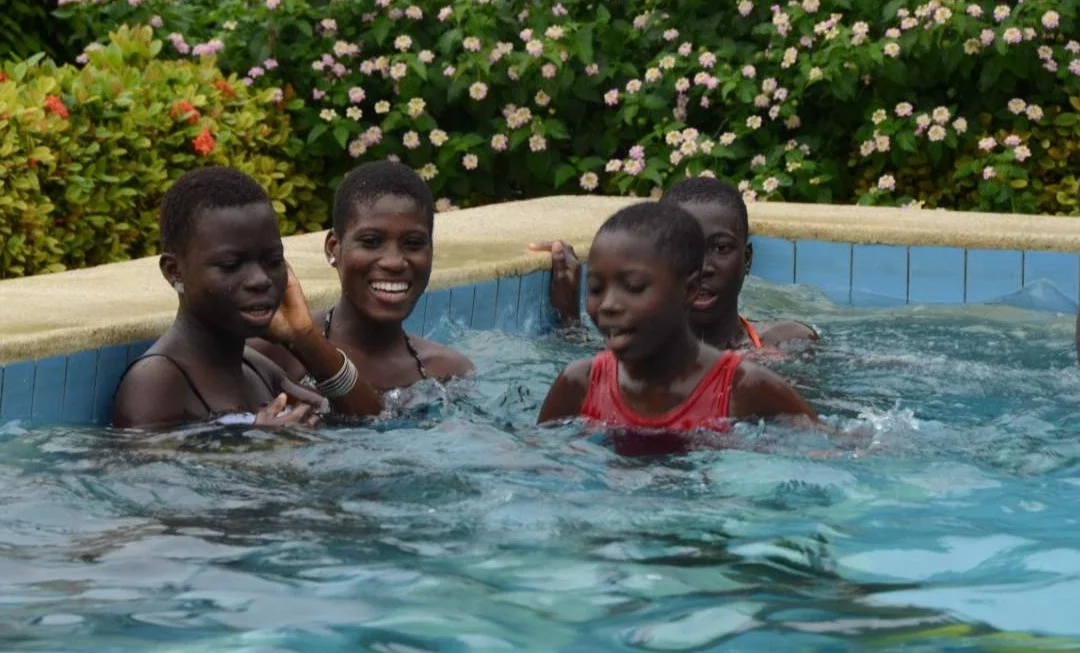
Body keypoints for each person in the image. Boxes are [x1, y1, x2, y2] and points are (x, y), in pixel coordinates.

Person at [537, 202, 817, 455]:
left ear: (689, 289)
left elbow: (831, 450)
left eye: (634, 287)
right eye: (596, 288)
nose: (610, 304)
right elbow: (538, 461)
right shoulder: (579, 384)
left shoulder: (747, 387)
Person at [113, 167, 382, 429]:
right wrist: (257, 446)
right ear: (175, 272)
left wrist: (305, 338)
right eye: (231, 265)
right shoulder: (156, 381)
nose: (260, 280)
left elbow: (370, 420)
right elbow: (147, 471)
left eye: (273, 260)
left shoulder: (256, 367)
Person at [250, 161, 473, 395]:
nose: (394, 261)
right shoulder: (274, 353)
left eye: (414, 243)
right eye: (371, 242)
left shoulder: (447, 373)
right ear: (333, 248)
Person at [529, 177, 817, 350]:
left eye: (721, 248)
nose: (703, 266)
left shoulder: (788, 342)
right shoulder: (632, 350)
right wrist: (569, 319)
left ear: (747, 259)